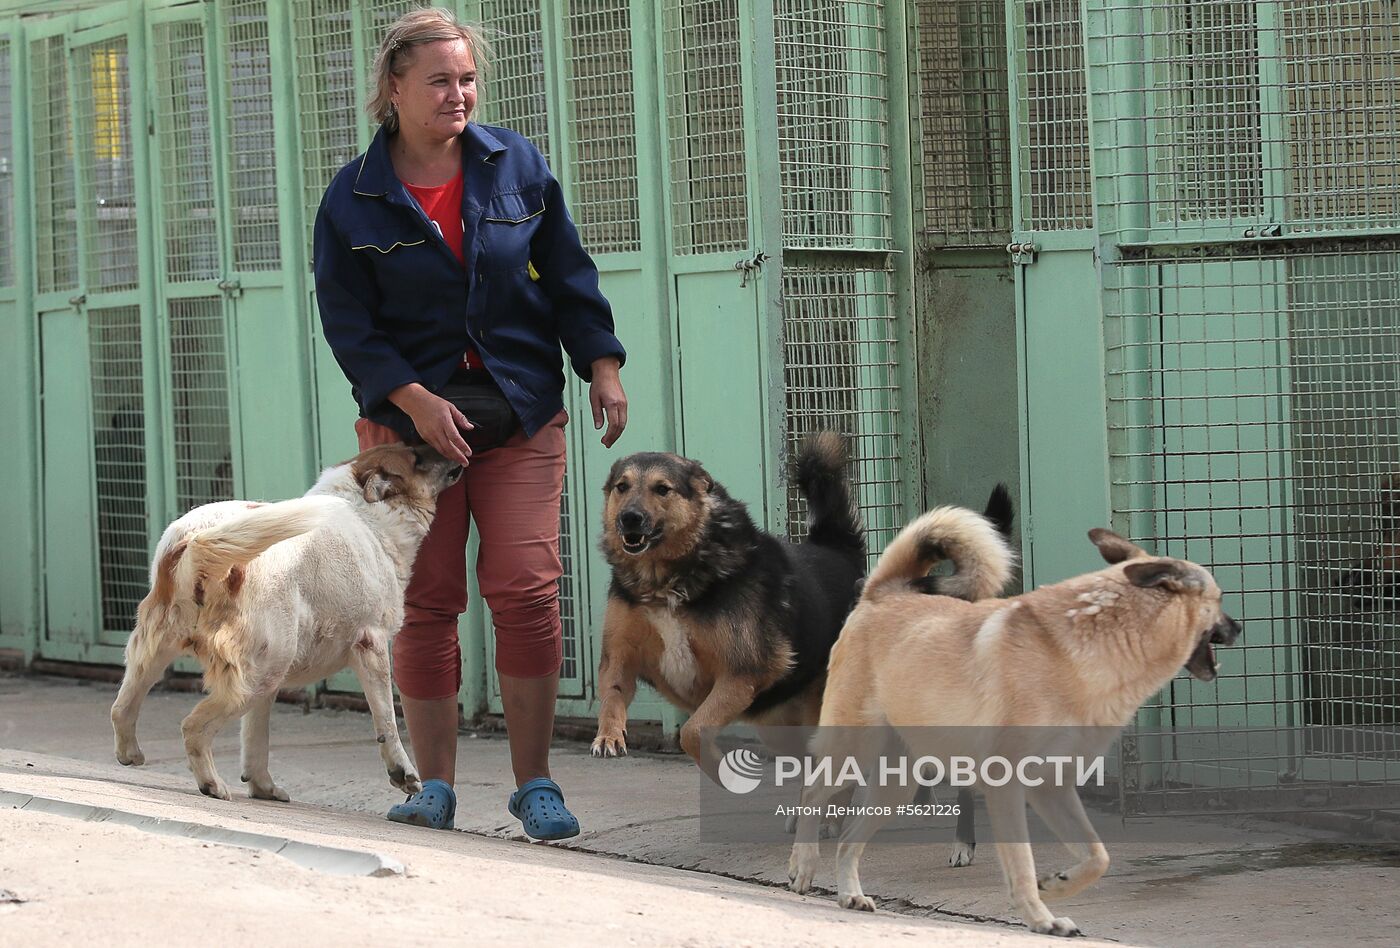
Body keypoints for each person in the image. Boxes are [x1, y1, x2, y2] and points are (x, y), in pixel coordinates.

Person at [313, 7, 627, 840]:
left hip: (519, 411)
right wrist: (412, 399)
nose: (459, 95)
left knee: (526, 592)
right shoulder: (354, 198)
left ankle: (536, 785)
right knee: (425, 601)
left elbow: (566, 269)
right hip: (407, 435)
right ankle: (435, 787)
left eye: (467, 79)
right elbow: (348, 323)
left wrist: (600, 361)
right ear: (394, 88)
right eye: (440, 80)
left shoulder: (514, 162)